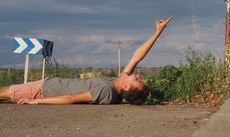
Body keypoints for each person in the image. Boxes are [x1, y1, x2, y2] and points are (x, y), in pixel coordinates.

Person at [0, 17, 173, 105]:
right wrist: (158, 32)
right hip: (46, 86)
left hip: (42, 90)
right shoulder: (115, 85)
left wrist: (36, 100)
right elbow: (137, 56)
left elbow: (71, 98)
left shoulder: (106, 89)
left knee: (4, 92)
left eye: (137, 80)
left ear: (127, 86)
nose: (137, 76)